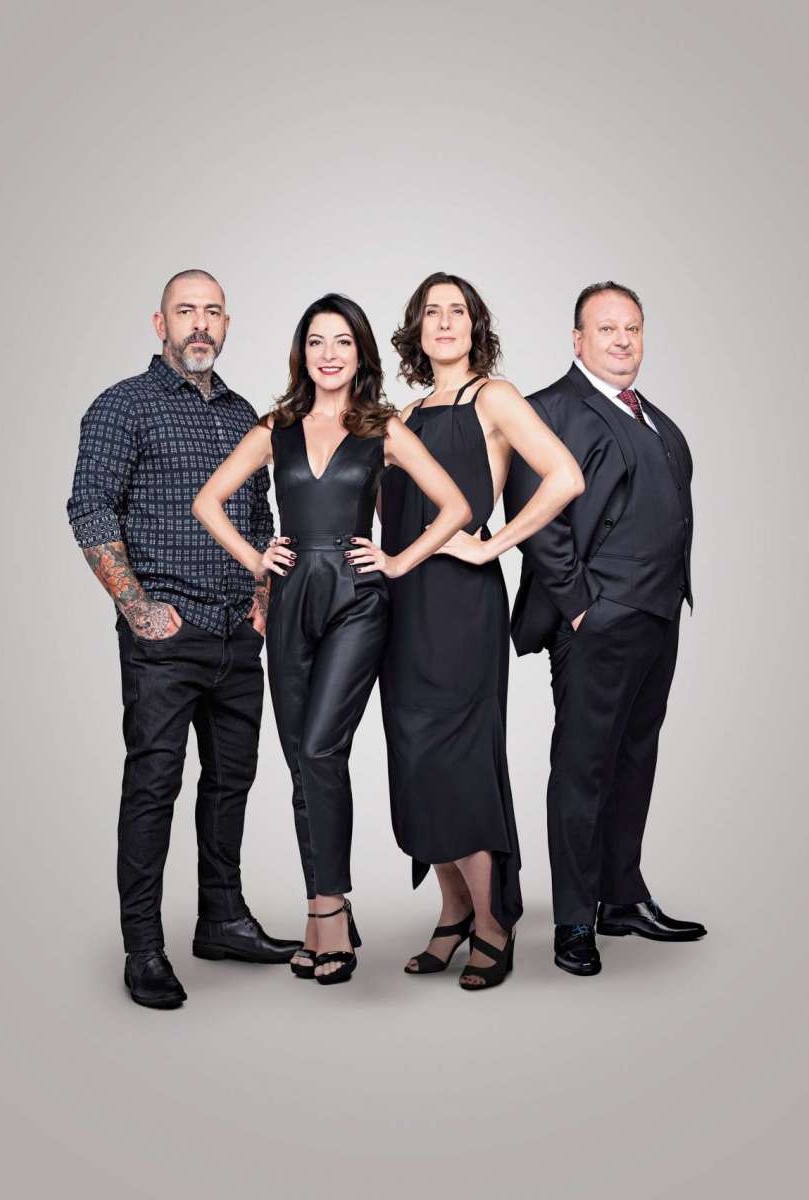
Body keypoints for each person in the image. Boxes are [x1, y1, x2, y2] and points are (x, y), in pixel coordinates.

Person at [192, 293, 470, 985]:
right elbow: (208, 501)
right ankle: (325, 919)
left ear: (360, 353)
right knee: (301, 762)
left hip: (356, 601)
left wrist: (398, 561)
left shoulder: (381, 428)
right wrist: (256, 558)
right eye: (316, 341)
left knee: (320, 748)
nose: (328, 354)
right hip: (291, 601)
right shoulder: (276, 426)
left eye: (342, 341)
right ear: (302, 353)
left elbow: (456, 505)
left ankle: (330, 911)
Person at [66, 269, 301, 1010]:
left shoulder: (243, 415)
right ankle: (143, 947)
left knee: (232, 781)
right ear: (159, 323)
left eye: (212, 312)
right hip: (166, 639)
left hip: (237, 634)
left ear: (226, 324)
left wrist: (261, 600)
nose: (200, 324)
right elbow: (90, 508)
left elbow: (259, 519)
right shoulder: (122, 405)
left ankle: (222, 921)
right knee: (154, 786)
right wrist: (136, 607)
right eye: (185, 311)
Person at [379, 272, 584, 990]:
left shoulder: (492, 397)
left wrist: (491, 544)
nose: (444, 322)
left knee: (461, 759)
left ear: (475, 327)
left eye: (457, 311)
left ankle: (492, 923)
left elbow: (564, 476)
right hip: (402, 603)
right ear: (415, 327)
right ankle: (452, 911)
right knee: (412, 758)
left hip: (462, 604)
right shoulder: (401, 415)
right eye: (431, 312)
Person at [504, 281, 707, 978]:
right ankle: (573, 917)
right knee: (583, 767)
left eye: (632, 329)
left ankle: (621, 896)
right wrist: (580, 605)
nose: (622, 340)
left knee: (635, 758)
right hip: (598, 619)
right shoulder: (548, 410)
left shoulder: (656, 420)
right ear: (577, 339)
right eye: (607, 328)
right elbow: (536, 518)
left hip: (657, 614)